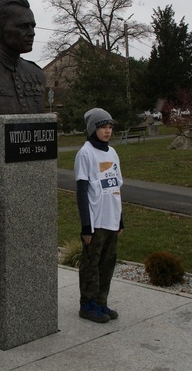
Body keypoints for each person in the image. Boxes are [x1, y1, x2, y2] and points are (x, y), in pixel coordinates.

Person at [74, 108, 124, 324]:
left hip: (112, 219)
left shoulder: (112, 153)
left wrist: (120, 218)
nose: (107, 131)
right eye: (103, 127)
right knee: (91, 264)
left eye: (110, 127)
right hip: (96, 220)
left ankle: (101, 300)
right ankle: (88, 304)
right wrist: (87, 226)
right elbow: (82, 191)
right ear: (93, 129)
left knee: (107, 263)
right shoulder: (85, 153)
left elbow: (116, 187)